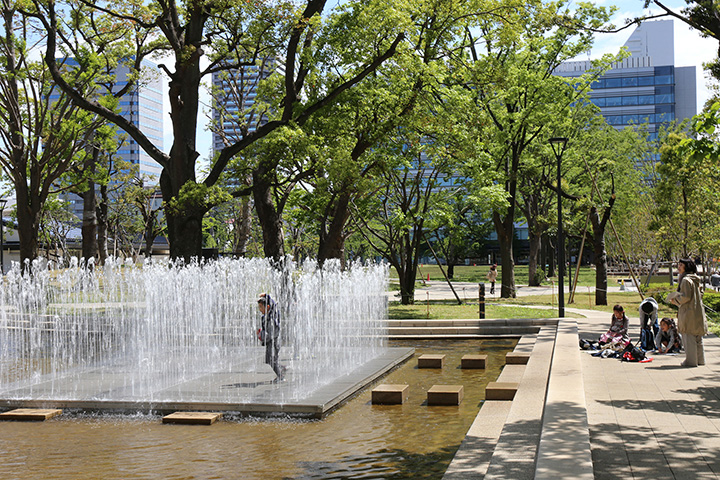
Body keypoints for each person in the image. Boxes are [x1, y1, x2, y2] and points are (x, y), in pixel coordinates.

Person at [668, 259, 708, 367]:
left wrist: (674, 300)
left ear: (687, 267)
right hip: (697, 311)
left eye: (681, 265)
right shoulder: (695, 279)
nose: (678, 267)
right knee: (698, 338)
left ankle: (691, 361)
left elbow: (685, 296)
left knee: (688, 337)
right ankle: (700, 360)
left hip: (688, 312)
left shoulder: (685, 280)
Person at [257, 293, 286, 380]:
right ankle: (282, 369)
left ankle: (281, 376)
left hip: (274, 342)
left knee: (271, 360)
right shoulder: (266, 316)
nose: (260, 309)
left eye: (261, 307)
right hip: (271, 342)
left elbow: (271, 333)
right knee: (270, 360)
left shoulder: (273, 316)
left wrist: (261, 336)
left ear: (268, 307)